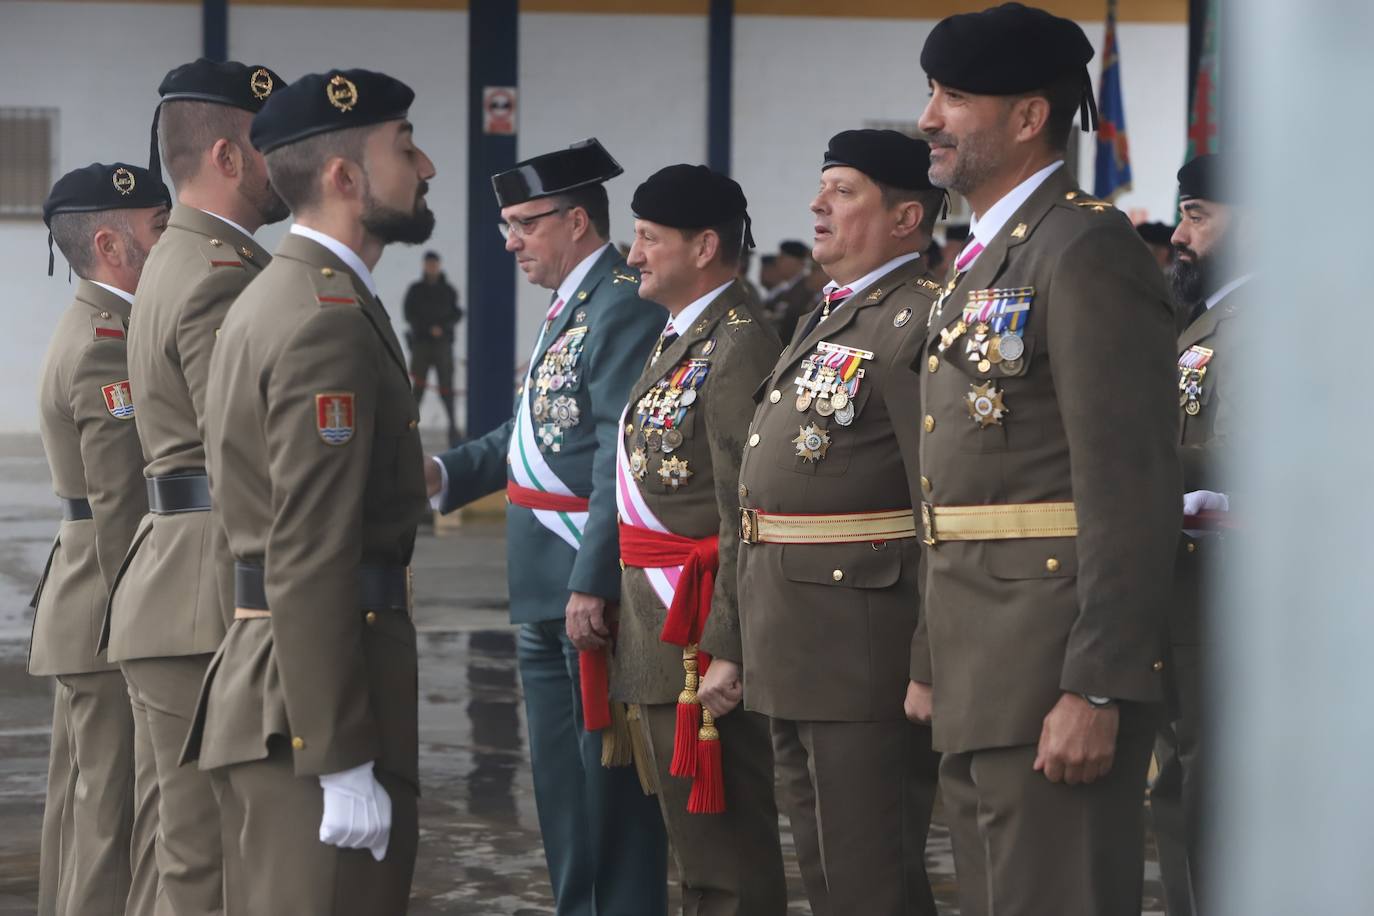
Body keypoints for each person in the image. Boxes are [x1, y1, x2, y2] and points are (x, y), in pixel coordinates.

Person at [907, 5, 1181, 914]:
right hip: (980, 665)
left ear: (1029, 117)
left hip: (1053, 668)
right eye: (931, 93)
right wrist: (931, 655)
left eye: (952, 96)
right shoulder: (989, 257)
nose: (928, 118)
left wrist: (1099, 684)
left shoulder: (1085, 248)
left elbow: (1130, 482)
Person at [180, 67, 435, 915]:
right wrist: (340, 754)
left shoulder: (276, 295)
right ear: (345, 178)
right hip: (314, 712)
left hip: (275, 687)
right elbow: (309, 546)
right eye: (404, 148)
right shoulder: (324, 318)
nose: (426, 165)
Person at [425, 139, 668, 916]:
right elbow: (533, 434)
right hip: (540, 586)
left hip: (582, 587)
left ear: (576, 220)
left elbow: (613, 456)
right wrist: (444, 475)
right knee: (564, 792)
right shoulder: (573, 307)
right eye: (506, 224)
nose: (510, 241)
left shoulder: (622, 301)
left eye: (524, 223)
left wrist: (592, 580)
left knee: (606, 794)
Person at [736, 129, 946, 916]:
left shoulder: (917, 322)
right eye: (822, 187)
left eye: (845, 189)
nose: (818, 206)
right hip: (794, 632)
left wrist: (928, 653)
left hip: (866, 640)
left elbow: (941, 498)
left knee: (870, 875)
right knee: (825, 871)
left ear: (905, 217)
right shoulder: (830, 317)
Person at [103, 57, 286, 916]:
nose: (286, 159)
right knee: (207, 865)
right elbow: (245, 453)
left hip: (171, 584)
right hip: (205, 595)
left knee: (176, 859)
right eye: (269, 143)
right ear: (226, 154)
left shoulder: (180, 257)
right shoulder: (221, 275)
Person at [615, 163, 787, 914]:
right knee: (697, 852)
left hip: (698, 645)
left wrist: (727, 646)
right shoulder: (686, 336)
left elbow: (740, 510)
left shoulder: (739, 343)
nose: (633, 254)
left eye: (649, 238)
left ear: (705, 245)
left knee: (729, 857)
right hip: (662, 627)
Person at [32, 162, 168, 916]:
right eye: (159, 229)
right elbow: (121, 505)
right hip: (107, 608)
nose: (171, 241)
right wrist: (143, 622)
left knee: (81, 815)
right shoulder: (106, 341)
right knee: (110, 823)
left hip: (83, 604)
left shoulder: (96, 322)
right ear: (112, 245)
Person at [1151, 153, 1247, 916]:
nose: (1181, 233)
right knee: (1182, 782)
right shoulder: (1209, 316)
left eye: (1198, 215)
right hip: (1185, 582)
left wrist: (1133, 457)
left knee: (1217, 787)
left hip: (1231, 592)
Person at [403, 249, 464, 443]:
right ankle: (409, 430)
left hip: (442, 346)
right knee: (417, 390)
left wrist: (442, 328)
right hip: (421, 345)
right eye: (429, 264)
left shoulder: (448, 290)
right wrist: (428, 329)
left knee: (447, 389)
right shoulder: (416, 290)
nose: (432, 268)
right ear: (424, 265)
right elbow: (409, 314)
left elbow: (456, 313)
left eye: (434, 264)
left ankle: (453, 431)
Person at [763, 239, 813, 341]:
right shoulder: (783, 291)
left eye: (782, 258)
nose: (777, 262)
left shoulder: (804, 290)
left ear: (798, 262)